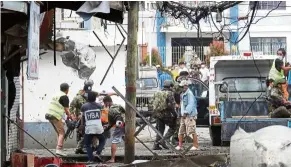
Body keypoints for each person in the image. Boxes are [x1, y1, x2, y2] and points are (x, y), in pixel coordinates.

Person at [45, 83, 73, 156]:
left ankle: (59, 148)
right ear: (67, 90)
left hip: (48, 114)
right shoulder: (64, 97)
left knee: (59, 132)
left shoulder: (56, 95)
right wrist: (71, 117)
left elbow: (60, 107)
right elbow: (67, 110)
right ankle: (59, 150)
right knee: (62, 132)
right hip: (55, 116)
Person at [79, 91, 106, 162]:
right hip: (98, 127)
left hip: (89, 128)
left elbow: (82, 117)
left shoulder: (84, 106)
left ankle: (91, 159)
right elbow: (102, 117)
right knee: (102, 140)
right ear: (95, 98)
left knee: (87, 144)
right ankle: (97, 152)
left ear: (88, 98)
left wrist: (82, 126)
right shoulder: (99, 106)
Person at [70, 79, 95, 154]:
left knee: (89, 134)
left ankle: (89, 148)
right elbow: (71, 107)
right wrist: (73, 116)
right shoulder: (77, 98)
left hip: (90, 119)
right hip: (80, 119)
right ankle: (79, 149)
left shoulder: (91, 96)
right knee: (80, 134)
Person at [152, 80, 177, 150]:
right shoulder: (170, 93)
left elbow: (152, 102)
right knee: (174, 127)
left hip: (158, 114)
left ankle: (156, 145)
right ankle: (163, 140)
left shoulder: (158, 92)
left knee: (160, 130)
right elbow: (171, 106)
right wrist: (175, 114)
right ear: (171, 87)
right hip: (166, 114)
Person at [175, 80, 199, 151]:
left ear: (186, 86)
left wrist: (185, 113)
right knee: (181, 131)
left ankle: (195, 145)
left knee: (192, 130)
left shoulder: (189, 94)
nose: (182, 88)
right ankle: (180, 145)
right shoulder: (182, 94)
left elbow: (190, 105)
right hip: (183, 115)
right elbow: (182, 105)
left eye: (182, 86)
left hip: (189, 115)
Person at [102, 96, 126, 163]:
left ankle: (112, 159)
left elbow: (111, 124)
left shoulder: (110, 111)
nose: (105, 105)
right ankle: (129, 155)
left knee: (114, 141)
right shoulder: (118, 105)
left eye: (105, 103)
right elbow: (126, 112)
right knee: (126, 138)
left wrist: (105, 128)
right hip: (125, 123)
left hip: (119, 123)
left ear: (107, 102)